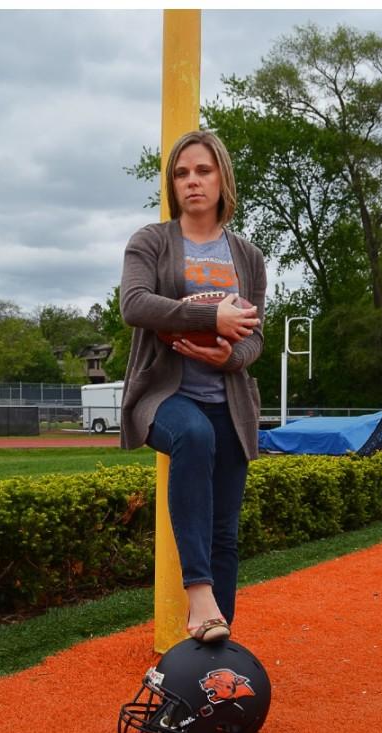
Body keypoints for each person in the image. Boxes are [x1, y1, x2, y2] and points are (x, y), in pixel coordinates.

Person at [119, 130, 266, 643]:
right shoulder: (151, 241)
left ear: (222, 176)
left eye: (202, 170)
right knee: (193, 436)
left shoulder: (247, 256)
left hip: (230, 401)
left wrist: (230, 351)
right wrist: (209, 315)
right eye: (181, 173)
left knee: (225, 532)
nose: (192, 181)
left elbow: (255, 338)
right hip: (167, 396)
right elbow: (134, 304)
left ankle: (214, 650)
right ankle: (198, 593)